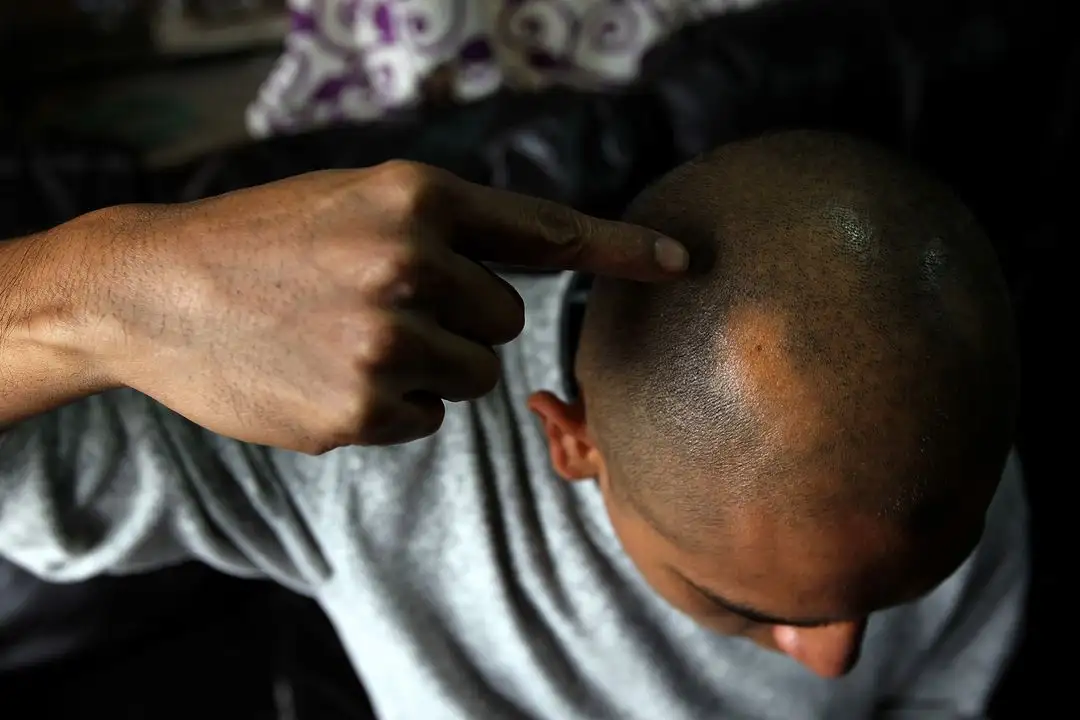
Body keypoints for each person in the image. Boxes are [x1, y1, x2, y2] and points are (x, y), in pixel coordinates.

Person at [0, 131, 1026, 719]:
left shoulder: (949, 452)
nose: (835, 662)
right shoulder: (381, 458)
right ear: (570, 439)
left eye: (895, 598)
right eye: (740, 604)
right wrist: (111, 285)